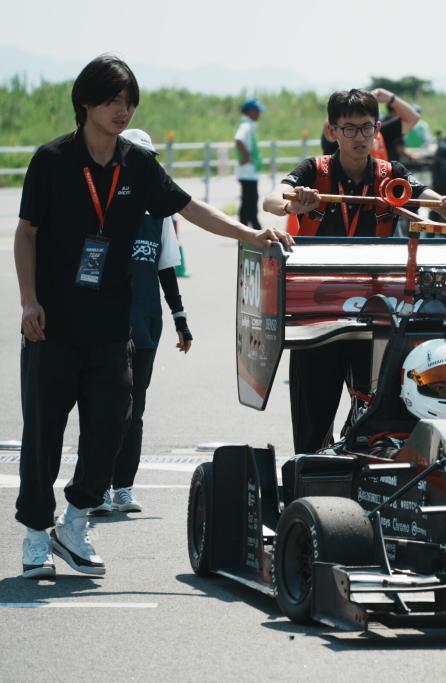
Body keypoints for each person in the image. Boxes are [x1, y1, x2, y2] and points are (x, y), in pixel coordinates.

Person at [15, 54, 292, 579]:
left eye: (129, 101)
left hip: (109, 325)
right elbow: (26, 233)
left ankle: (74, 523)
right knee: (43, 433)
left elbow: (189, 207)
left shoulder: (137, 164)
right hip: (51, 325)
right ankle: (34, 535)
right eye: (112, 100)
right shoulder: (51, 160)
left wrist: (251, 234)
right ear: (85, 103)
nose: (122, 110)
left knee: (111, 427)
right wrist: (29, 300)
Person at [263, 89, 446, 455]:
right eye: (349, 129)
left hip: (375, 310)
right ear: (332, 131)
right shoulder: (313, 170)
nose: (359, 137)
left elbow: (431, 199)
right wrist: (293, 203)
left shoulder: (392, 175)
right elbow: (271, 200)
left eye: (366, 128)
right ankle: (310, 473)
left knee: (376, 416)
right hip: (318, 311)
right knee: (313, 423)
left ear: (377, 129)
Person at [88, 128, 195, 517]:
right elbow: (88, 267)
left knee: (135, 409)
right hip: (107, 324)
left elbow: (166, 267)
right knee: (105, 407)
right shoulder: (102, 207)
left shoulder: (160, 214)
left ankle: (123, 487)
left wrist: (180, 318)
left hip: (146, 323)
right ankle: (96, 488)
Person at [234, 98, 265, 229]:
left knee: (247, 203)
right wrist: (246, 156)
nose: (259, 114)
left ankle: (244, 230)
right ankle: (256, 229)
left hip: (248, 172)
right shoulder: (245, 126)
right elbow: (238, 140)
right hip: (247, 172)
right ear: (250, 111)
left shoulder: (248, 125)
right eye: (257, 111)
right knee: (251, 202)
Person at [371, 87, 419, 163]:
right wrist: (390, 98)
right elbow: (413, 118)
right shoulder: (381, 129)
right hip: (387, 166)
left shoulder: (381, 125)